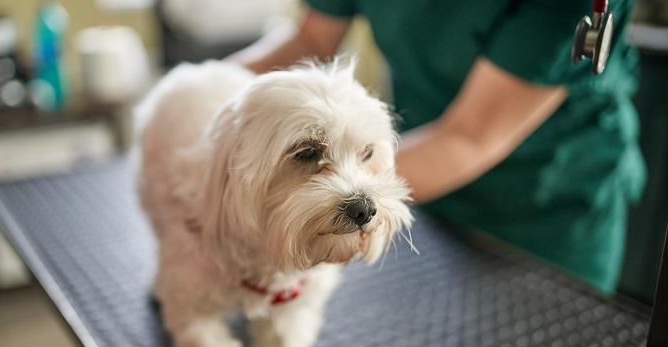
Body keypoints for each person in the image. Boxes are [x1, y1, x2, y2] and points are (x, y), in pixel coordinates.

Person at [226, 0, 646, 294]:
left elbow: (469, 137)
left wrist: (306, 206)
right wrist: (195, 93)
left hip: (550, 211)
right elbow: (311, 40)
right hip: (422, 196)